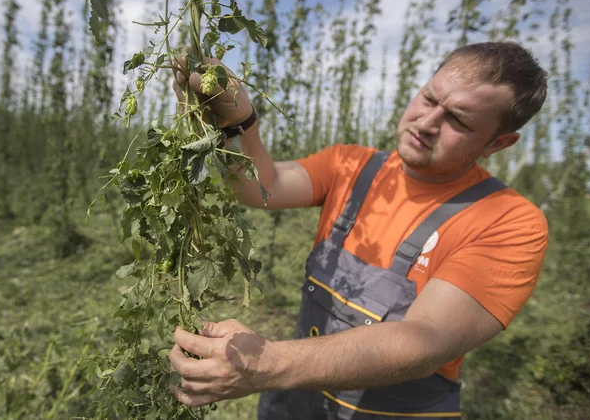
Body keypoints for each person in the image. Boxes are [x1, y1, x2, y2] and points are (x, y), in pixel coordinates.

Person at [168, 42, 549, 419]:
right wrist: (237, 122)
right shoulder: (351, 165)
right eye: (430, 99)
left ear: (498, 143)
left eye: (459, 121)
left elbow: (426, 342)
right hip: (294, 404)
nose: (428, 124)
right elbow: (262, 186)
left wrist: (264, 363)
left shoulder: (508, 221)